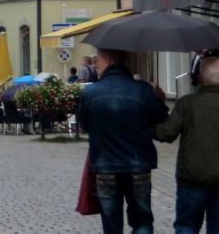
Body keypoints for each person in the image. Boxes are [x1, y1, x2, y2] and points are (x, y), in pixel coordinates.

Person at [78, 49, 169, 234]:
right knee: (142, 220)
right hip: (138, 165)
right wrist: (159, 99)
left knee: (112, 225)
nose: (95, 64)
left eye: (97, 60)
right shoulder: (143, 89)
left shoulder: (91, 92)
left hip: (106, 167)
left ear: (108, 61)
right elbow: (160, 118)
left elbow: (84, 125)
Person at [153, 56, 219, 233]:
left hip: (192, 178)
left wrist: (158, 103)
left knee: (186, 227)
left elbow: (166, 134)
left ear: (200, 78)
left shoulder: (187, 103)